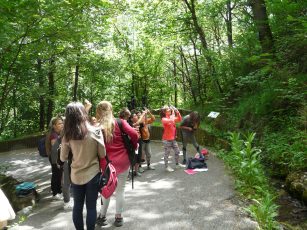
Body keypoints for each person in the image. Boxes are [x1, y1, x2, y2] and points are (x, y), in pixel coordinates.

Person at [60, 102, 106, 230]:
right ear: (83, 113)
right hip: (93, 174)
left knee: (77, 206)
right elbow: (102, 154)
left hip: (76, 176)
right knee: (91, 206)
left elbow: (62, 158)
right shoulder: (95, 131)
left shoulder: (68, 135)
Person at [96, 101, 138, 227]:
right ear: (111, 110)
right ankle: (118, 217)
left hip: (106, 163)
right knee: (121, 190)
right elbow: (134, 134)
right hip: (123, 161)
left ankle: (102, 216)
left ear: (98, 112)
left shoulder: (97, 127)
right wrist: (134, 146)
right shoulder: (120, 122)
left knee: (106, 189)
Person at [160, 105, 182, 172]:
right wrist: (173, 113)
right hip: (166, 140)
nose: (170, 110)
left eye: (170, 109)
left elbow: (179, 119)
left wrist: (177, 112)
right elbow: (171, 121)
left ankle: (177, 164)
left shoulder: (171, 117)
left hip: (173, 139)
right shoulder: (164, 119)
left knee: (177, 151)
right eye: (168, 110)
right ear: (165, 112)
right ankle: (166, 167)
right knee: (167, 154)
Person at [47, 116, 64, 200]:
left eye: (62, 123)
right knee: (56, 174)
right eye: (59, 123)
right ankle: (55, 192)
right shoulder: (53, 135)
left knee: (58, 173)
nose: (62, 125)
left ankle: (58, 191)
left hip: (57, 157)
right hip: (55, 158)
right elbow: (55, 147)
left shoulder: (57, 133)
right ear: (54, 126)